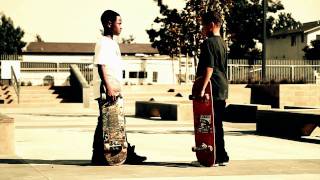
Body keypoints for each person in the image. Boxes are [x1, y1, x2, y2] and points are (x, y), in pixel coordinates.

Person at [91, 10, 147, 165]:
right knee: (109, 122)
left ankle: (101, 155)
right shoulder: (103, 42)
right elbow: (101, 66)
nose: (121, 26)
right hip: (107, 90)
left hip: (113, 89)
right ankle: (120, 153)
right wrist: (108, 88)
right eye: (119, 22)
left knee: (110, 122)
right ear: (109, 24)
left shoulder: (111, 43)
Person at [196, 11, 229, 166]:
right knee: (218, 124)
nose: (202, 29)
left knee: (209, 125)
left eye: (203, 25)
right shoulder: (223, 43)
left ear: (211, 25)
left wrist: (202, 89)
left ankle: (213, 157)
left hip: (212, 87)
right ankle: (222, 156)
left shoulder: (208, 43)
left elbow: (209, 67)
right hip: (222, 86)